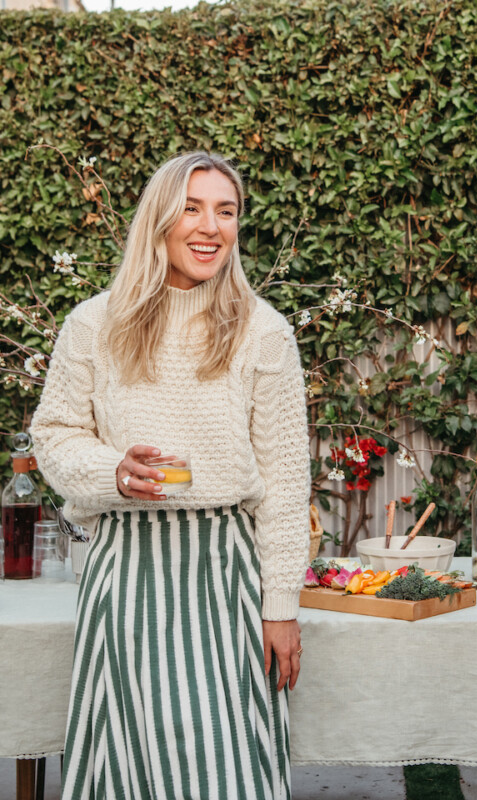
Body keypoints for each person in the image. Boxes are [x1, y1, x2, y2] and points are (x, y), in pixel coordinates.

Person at [30, 152, 310, 800]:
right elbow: (54, 434)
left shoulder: (264, 333)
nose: (210, 226)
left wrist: (282, 606)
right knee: (126, 769)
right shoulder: (93, 325)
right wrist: (112, 472)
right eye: (192, 207)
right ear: (159, 218)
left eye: (226, 210)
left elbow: (286, 479)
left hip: (224, 573)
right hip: (126, 573)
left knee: (226, 770)